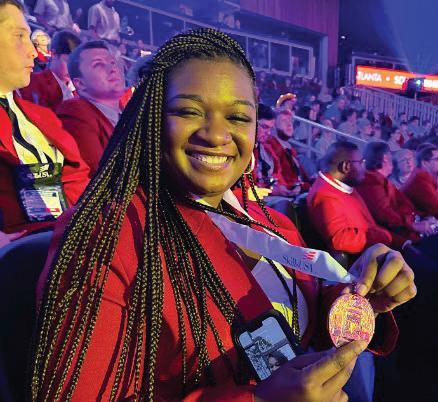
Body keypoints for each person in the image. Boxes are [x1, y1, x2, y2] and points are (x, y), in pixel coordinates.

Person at [31, 29, 416, 401]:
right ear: (150, 118)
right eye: (189, 111)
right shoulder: (107, 236)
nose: (217, 135)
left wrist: (359, 295)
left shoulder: (270, 222)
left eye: (238, 117)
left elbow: (300, 315)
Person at [0, 0, 89, 246]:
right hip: (20, 254)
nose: (33, 52)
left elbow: (81, 183)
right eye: (19, 36)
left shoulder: (43, 117)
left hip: (69, 242)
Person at [307, 141, 392, 254]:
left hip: (375, 249)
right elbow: (340, 240)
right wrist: (382, 236)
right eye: (361, 162)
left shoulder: (343, 186)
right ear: (345, 166)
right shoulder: (326, 196)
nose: (364, 167)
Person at [55, 40, 126, 176]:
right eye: (98, 64)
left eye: (112, 63)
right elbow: (98, 174)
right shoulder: (74, 112)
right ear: (80, 84)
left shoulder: (129, 112)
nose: (113, 69)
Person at [357, 142, 438, 248]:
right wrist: (413, 225)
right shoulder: (371, 182)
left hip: (408, 227)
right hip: (400, 238)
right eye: (391, 154)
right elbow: (385, 214)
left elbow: (404, 203)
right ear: (385, 158)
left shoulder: (381, 180)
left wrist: (424, 217)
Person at [20, 30, 81, 111]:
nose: (72, 69)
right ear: (53, 54)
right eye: (67, 62)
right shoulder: (34, 82)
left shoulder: (77, 89)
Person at [262, 108, 310, 196]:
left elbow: (302, 179)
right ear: (273, 125)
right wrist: (300, 187)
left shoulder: (290, 149)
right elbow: (281, 182)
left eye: (290, 121)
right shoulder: (270, 147)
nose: (289, 124)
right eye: (284, 121)